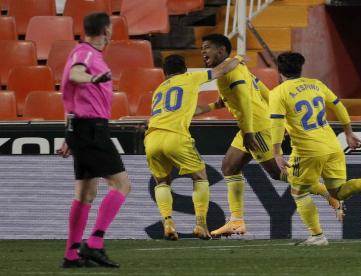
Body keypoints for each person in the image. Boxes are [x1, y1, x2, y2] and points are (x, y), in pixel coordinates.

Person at [197, 34, 339, 237]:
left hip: (256, 127)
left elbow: (245, 101)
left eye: (207, 47)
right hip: (251, 125)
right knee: (230, 167)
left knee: (278, 174)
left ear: (221, 51)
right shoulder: (236, 67)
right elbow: (261, 90)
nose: (203, 52)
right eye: (202, 48)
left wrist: (250, 131)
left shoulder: (229, 72)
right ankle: (236, 221)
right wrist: (209, 107)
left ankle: (328, 193)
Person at [270, 52, 361, 246]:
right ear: (300, 68)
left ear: (279, 71)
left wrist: (276, 153)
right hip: (332, 145)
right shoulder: (316, 84)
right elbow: (338, 106)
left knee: (298, 192)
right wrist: (348, 133)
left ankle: (317, 237)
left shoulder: (278, 93)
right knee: (338, 192)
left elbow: (277, 124)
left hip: (308, 150)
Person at [57, 12, 131, 268]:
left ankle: (71, 254)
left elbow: (71, 95)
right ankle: (94, 243)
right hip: (91, 129)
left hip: (81, 127)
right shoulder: (87, 53)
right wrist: (93, 77)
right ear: (107, 31)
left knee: (85, 193)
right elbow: (77, 74)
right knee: (121, 185)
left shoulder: (84, 51)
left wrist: (69, 134)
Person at [144, 54, 243, 241]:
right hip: (175, 136)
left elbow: (192, 110)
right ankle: (201, 223)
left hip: (152, 138)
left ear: (165, 73)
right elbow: (221, 70)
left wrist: (215, 105)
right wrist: (238, 57)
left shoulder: (159, 90)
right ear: (185, 70)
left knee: (162, 182)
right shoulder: (189, 78)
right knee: (200, 177)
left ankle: (167, 222)